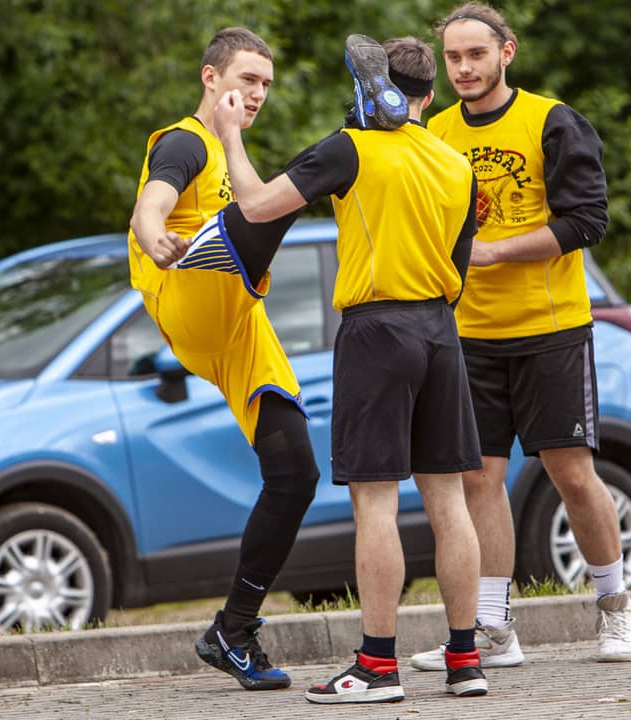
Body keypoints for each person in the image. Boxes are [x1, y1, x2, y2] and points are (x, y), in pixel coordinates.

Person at [213, 34, 489, 704]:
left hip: (377, 330)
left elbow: (255, 206)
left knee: (375, 501)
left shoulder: (350, 147)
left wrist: (230, 135)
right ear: (430, 96)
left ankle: (376, 667)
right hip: (441, 331)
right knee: (450, 500)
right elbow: (458, 268)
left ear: (374, 89)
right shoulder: (458, 166)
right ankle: (465, 659)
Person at [408, 2, 631, 670]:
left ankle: (616, 609)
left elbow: (588, 221)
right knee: (479, 479)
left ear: (506, 52)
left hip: (550, 329)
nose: (464, 68)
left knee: (572, 473)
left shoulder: (551, 121)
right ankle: (494, 630)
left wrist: (494, 252)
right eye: (453, 57)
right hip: (468, 336)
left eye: (476, 54)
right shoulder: (432, 132)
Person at [127, 27, 321, 691]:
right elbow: (151, 203)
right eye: (247, 80)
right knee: (269, 205)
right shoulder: (186, 142)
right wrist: (154, 235)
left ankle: (232, 631)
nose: (258, 93)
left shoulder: (231, 152)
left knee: (296, 474)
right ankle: (360, 136)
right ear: (211, 78)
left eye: (266, 84)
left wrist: (235, 141)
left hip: (240, 324)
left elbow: (253, 200)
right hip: (188, 292)